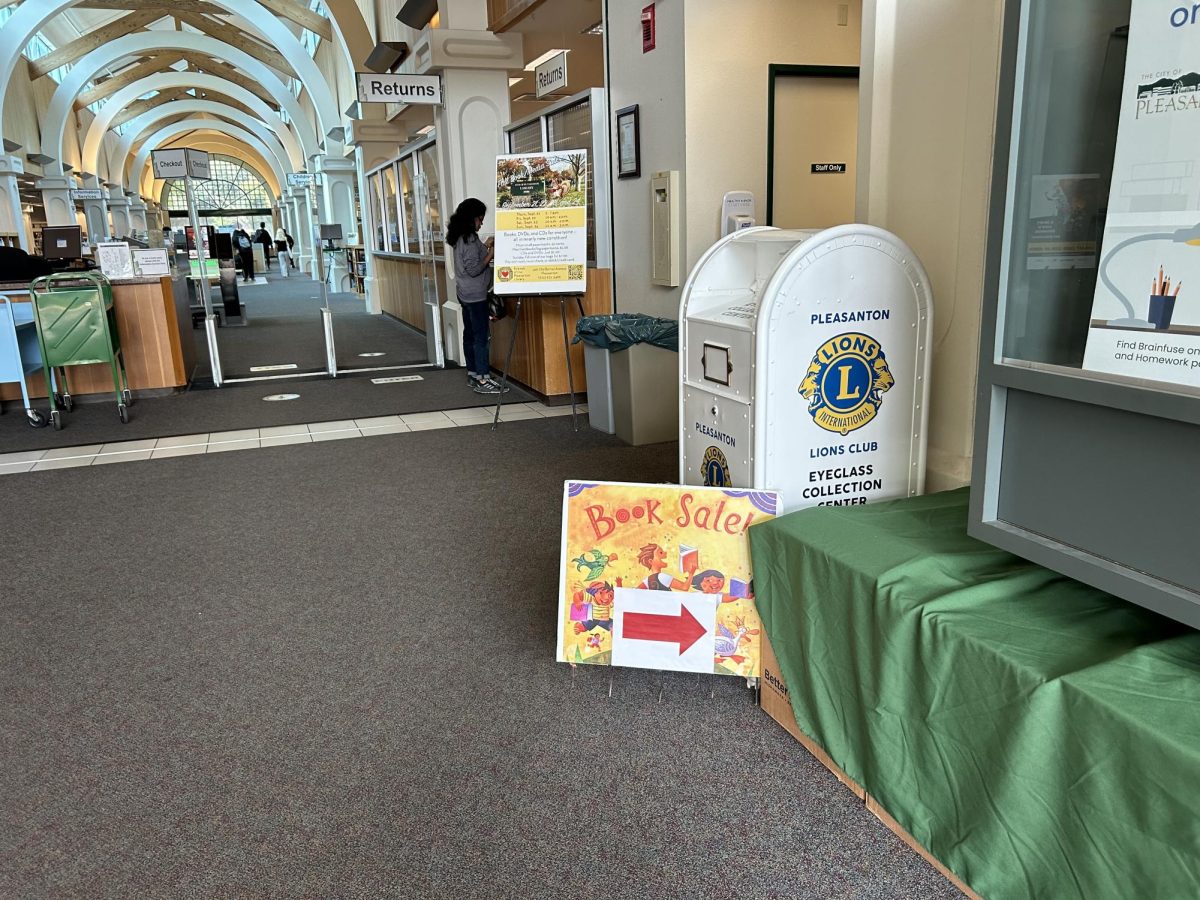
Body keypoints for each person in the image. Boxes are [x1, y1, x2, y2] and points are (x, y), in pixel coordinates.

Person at [446, 198, 507, 394]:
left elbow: (470, 259)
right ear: (472, 218)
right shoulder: (469, 239)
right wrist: (492, 254)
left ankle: (473, 374)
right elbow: (473, 269)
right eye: (480, 219)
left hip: (464, 293)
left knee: (470, 334)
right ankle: (483, 378)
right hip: (476, 296)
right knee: (482, 337)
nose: (482, 223)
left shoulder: (460, 237)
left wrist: (486, 245)